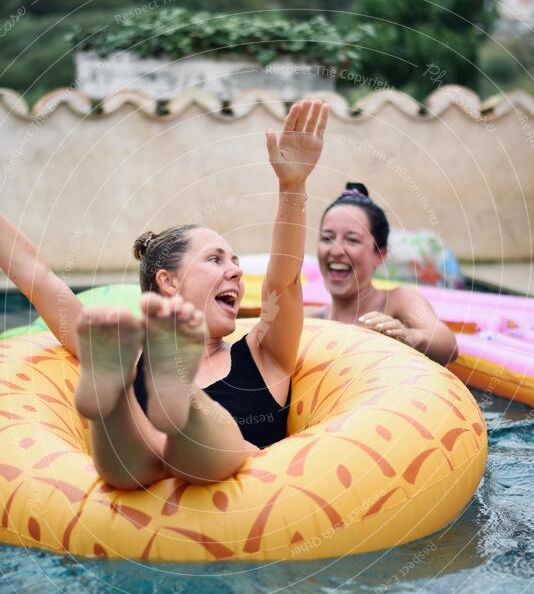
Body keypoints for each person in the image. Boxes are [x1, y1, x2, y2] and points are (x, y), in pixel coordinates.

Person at [0, 98, 330, 489]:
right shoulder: (123, 350)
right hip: (168, 500)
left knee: (199, 455)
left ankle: (152, 400)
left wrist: (293, 184)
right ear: (168, 282)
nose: (237, 271)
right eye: (215, 259)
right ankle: (132, 401)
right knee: (155, 457)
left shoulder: (262, 353)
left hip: (198, 481)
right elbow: (35, 274)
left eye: (235, 261)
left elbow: (284, 283)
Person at [314, 182, 458, 365]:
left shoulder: (397, 301)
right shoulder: (312, 319)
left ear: (380, 254)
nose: (335, 250)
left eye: (352, 240)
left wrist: (408, 336)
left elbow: (448, 345)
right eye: (327, 238)